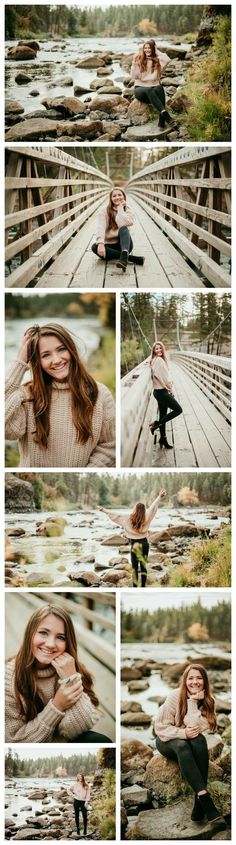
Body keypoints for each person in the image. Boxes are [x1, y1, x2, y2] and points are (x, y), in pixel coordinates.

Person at [5, 323, 115, 468]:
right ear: (37, 361)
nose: (56, 360)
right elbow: (7, 431)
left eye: (61, 349)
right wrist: (19, 362)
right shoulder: (27, 395)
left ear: (71, 350)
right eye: (46, 355)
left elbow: (110, 445)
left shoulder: (100, 394)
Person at [5, 604, 111, 743]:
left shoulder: (68, 668)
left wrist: (71, 678)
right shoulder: (7, 679)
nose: (50, 644)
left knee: (100, 741)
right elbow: (14, 741)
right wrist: (57, 706)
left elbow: (78, 729)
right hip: (30, 751)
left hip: (61, 743)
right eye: (43, 633)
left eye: (60, 637)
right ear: (30, 634)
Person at [154, 664, 226, 828]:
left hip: (189, 739)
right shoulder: (174, 696)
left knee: (199, 740)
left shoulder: (209, 701)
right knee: (182, 745)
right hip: (167, 740)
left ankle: (198, 801)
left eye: (199, 678)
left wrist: (193, 702)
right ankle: (206, 801)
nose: (195, 682)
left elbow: (195, 727)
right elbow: (160, 728)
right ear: (185, 680)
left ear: (205, 681)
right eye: (191, 678)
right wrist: (183, 734)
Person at [99, 489, 166, 587]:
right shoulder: (147, 516)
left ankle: (135, 586)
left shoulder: (128, 518)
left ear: (135, 509)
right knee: (143, 567)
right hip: (145, 544)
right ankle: (143, 586)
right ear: (143, 510)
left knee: (134, 567)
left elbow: (116, 515)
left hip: (135, 545)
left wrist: (103, 510)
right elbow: (152, 507)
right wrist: (159, 497)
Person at [91, 187, 144, 272]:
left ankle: (124, 254)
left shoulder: (128, 209)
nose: (117, 197)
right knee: (94, 247)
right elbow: (100, 227)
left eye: (120, 195)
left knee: (124, 229)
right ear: (111, 199)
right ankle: (130, 258)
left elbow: (123, 223)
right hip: (109, 246)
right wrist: (101, 243)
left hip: (124, 245)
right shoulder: (104, 211)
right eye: (114, 196)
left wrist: (120, 209)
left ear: (124, 196)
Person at [131, 40, 173, 128]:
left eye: (149, 48)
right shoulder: (139, 60)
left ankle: (161, 121)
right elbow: (134, 76)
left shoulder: (157, 61)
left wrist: (156, 50)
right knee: (149, 89)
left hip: (154, 90)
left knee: (159, 88)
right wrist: (134, 63)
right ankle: (166, 116)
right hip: (140, 90)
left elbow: (167, 59)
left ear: (153, 49)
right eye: (145, 48)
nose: (147, 50)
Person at [148, 341, 182, 448]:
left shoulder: (153, 360)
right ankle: (156, 424)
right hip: (161, 392)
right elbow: (165, 378)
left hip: (157, 392)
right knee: (178, 410)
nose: (159, 350)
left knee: (163, 415)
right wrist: (170, 388)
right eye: (156, 349)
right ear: (153, 351)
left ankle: (163, 439)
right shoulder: (159, 361)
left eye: (160, 348)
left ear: (163, 349)